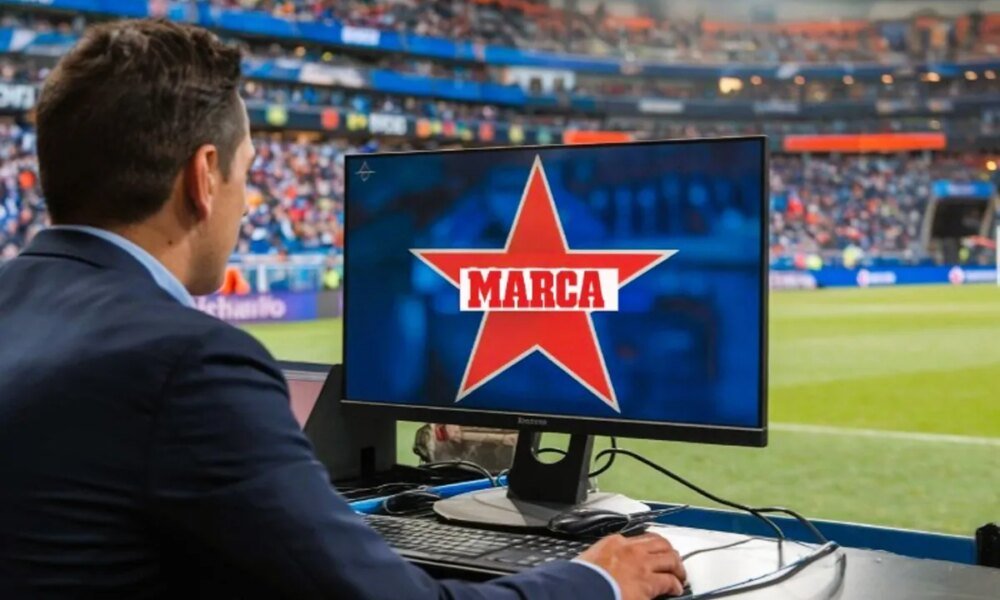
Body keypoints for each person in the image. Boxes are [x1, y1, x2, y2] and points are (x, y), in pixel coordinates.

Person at [0, 19, 687, 599]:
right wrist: (596, 579)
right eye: (247, 173)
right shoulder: (188, 363)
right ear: (204, 177)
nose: (248, 204)